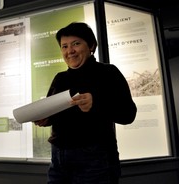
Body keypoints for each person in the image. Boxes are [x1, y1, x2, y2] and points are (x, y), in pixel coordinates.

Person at [34, 22, 137, 184]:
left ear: (91, 45)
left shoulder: (108, 73)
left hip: (95, 158)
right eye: (64, 46)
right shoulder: (60, 78)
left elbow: (128, 114)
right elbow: (54, 114)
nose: (70, 51)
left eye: (76, 44)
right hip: (58, 157)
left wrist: (96, 103)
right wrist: (45, 119)